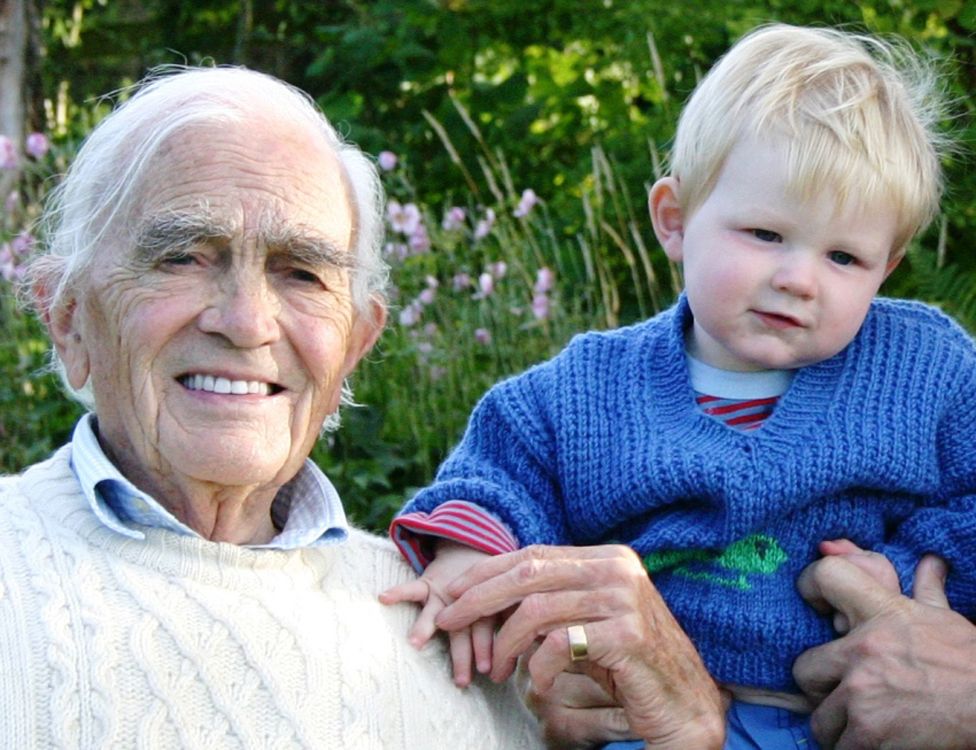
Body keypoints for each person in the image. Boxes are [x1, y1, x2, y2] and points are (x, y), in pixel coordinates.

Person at [381, 23, 976, 748]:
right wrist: (473, 557)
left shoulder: (926, 370)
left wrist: (909, 566)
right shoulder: (592, 388)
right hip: (641, 713)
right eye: (765, 234)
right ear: (676, 219)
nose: (799, 277)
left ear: (887, 268)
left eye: (845, 257)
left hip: (857, 715)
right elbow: (503, 471)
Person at [1, 64, 547, 748]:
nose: (247, 321)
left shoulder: (461, 640)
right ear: (68, 316)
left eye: (301, 272)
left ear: (354, 342)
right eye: (184, 257)